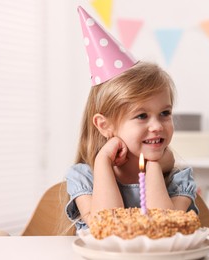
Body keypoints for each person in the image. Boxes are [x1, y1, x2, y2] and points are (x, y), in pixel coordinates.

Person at [65, 6, 198, 231]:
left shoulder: (178, 179)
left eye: (164, 113)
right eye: (141, 116)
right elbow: (107, 229)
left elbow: (162, 228)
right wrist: (102, 162)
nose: (157, 126)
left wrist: (153, 166)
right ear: (104, 125)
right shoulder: (85, 177)